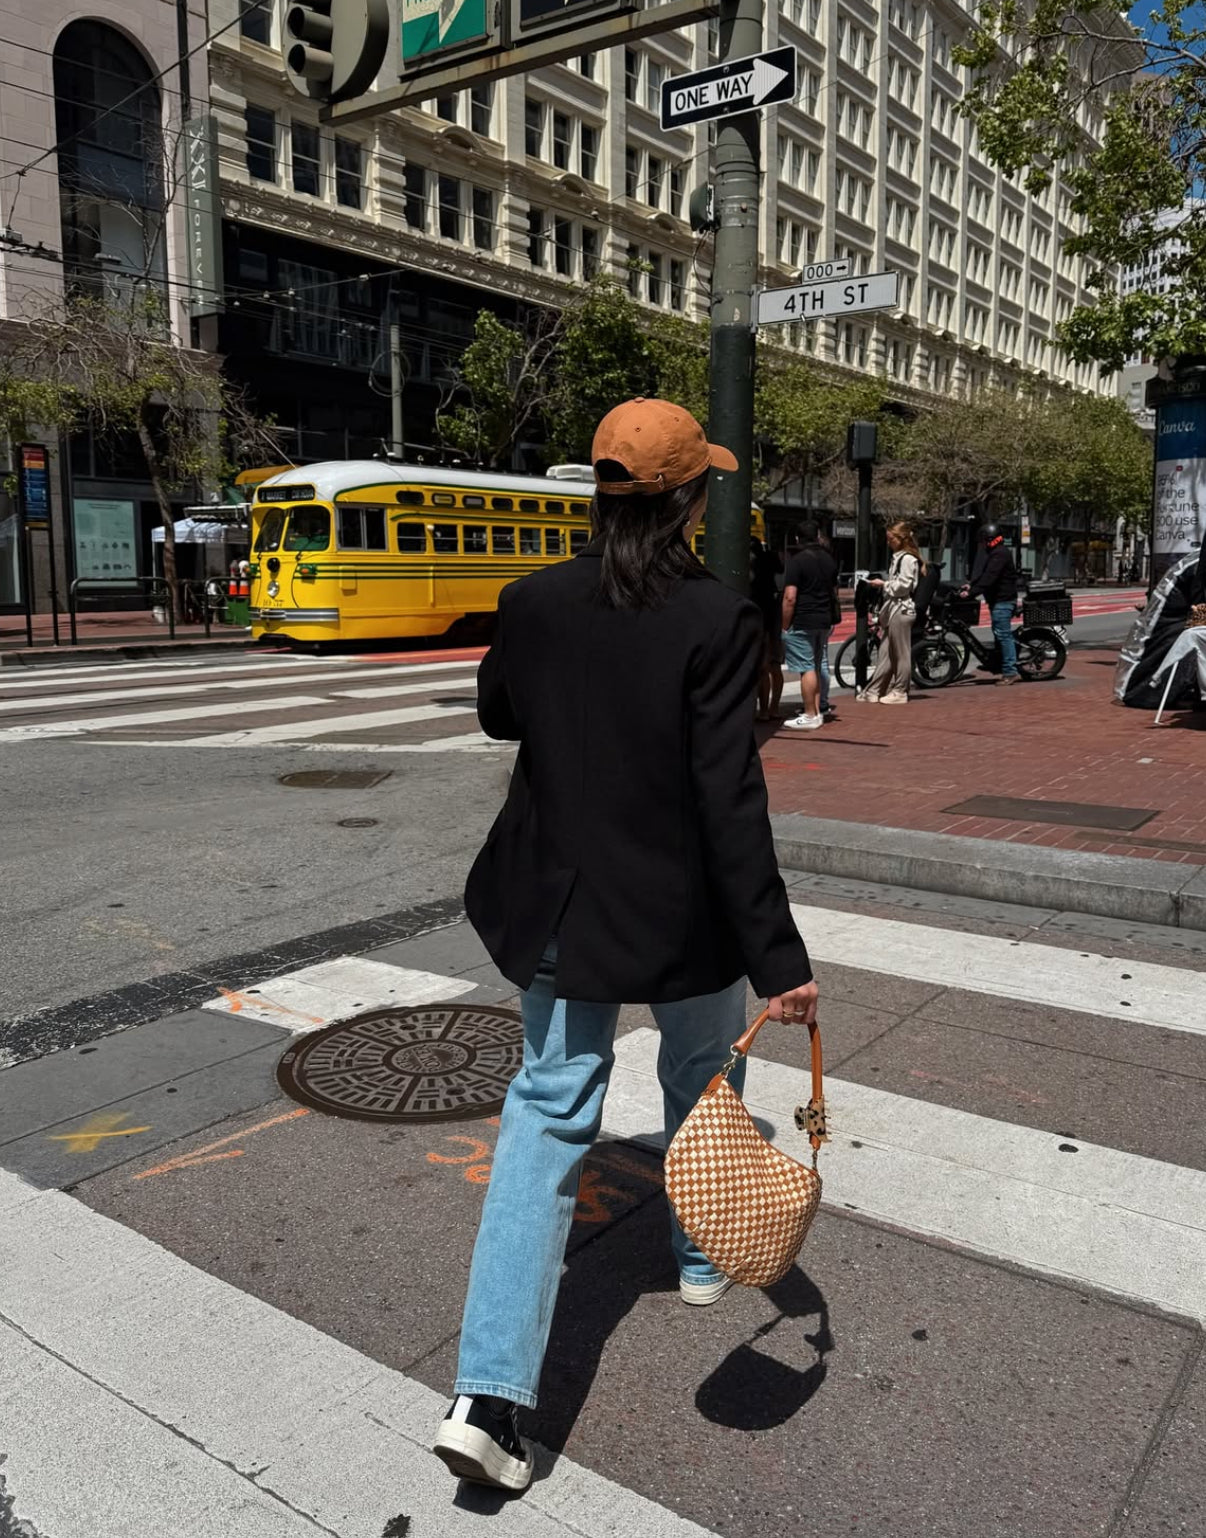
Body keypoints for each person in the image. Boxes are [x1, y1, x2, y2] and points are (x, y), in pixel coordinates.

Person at [433, 397, 818, 1495]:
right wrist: (780, 956)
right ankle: (702, 1255)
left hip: (555, 898)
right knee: (703, 1071)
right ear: (693, 495)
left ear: (599, 491)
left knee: (549, 1111)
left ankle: (489, 1396)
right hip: (683, 910)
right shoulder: (716, 615)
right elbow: (728, 798)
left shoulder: (534, 599)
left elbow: (498, 716)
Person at [780, 521, 840, 730]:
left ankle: (809, 714)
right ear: (817, 535)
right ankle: (816, 710)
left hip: (802, 619)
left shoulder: (796, 561)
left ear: (797, 538)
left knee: (805, 669)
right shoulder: (828, 559)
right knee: (815, 664)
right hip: (823, 618)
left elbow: (790, 597)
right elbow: (834, 591)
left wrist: (785, 625)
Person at [858, 522, 923, 704]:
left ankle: (900, 690)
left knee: (900, 654)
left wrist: (884, 584)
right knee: (885, 653)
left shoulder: (907, 559)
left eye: (891, 539)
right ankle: (875, 689)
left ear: (901, 539)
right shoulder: (899, 557)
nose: (888, 543)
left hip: (901, 609)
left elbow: (904, 586)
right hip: (894, 609)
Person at [964, 522, 1020, 684]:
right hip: (997, 601)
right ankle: (1000, 662)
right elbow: (984, 575)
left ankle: (1010, 671)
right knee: (999, 633)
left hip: (1003, 601)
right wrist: (971, 585)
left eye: (982, 541)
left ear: (989, 539)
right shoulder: (994, 552)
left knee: (1003, 635)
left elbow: (990, 578)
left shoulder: (1000, 554)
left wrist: (971, 593)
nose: (981, 544)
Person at [750, 536, 784, 721]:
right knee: (774, 666)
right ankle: (773, 708)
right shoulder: (770, 561)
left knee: (762, 667)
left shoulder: (752, 571)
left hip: (759, 618)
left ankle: (763, 709)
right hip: (772, 617)